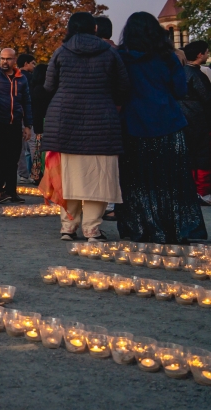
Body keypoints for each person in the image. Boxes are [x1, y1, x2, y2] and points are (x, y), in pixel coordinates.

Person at [115, 13, 207, 242]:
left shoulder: (122, 57)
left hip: (135, 123)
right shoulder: (168, 57)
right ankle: (176, 228)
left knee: (138, 181)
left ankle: (143, 227)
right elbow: (179, 90)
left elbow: (118, 89)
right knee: (171, 180)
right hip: (168, 122)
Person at [42, 12, 130, 242]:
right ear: (95, 29)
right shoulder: (110, 52)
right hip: (102, 120)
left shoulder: (61, 52)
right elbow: (123, 86)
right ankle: (92, 229)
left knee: (69, 177)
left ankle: (68, 227)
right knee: (98, 178)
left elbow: (49, 85)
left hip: (65, 120)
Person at [0, 48, 33, 204]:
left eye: (8, 59)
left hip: (14, 122)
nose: (4, 61)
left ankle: (11, 191)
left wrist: (28, 125)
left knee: (13, 158)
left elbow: (27, 102)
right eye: (2, 58)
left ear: (14, 60)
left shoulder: (21, 78)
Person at [181, 41, 211, 204]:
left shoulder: (180, 72)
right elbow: (206, 99)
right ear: (200, 55)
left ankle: (191, 189)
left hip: (184, 120)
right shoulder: (197, 76)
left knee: (188, 156)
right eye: (206, 52)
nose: (207, 54)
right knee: (202, 157)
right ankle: (202, 191)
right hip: (199, 120)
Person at [15, 53, 38, 181]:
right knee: (33, 143)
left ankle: (22, 173)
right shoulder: (30, 78)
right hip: (29, 114)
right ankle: (36, 172)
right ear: (26, 64)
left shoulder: (14, 77)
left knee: (20, 145)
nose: (34, 66)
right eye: (32, 63)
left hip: (17, 114)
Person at [29, 62, 52, 184]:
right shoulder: (46, 90)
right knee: (44, 153)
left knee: (38, 151)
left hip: (38, 124)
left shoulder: (34, 89)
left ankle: (37, 174)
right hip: (46, 123)